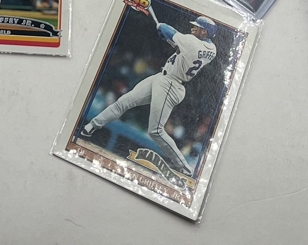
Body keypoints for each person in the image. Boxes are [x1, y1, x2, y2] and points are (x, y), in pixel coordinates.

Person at [80, 13, 218, 178]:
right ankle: (90, 127)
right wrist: (170, 40)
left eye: (197, 27)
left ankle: (184, 167)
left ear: (204, 32)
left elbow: (168, 30)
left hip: (171, 85)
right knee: (123, 102)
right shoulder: (211, 49)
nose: (193, 28)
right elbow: (184, 49)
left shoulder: (192, 42)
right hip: (163, 78)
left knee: (156, 131)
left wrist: (161, 28)